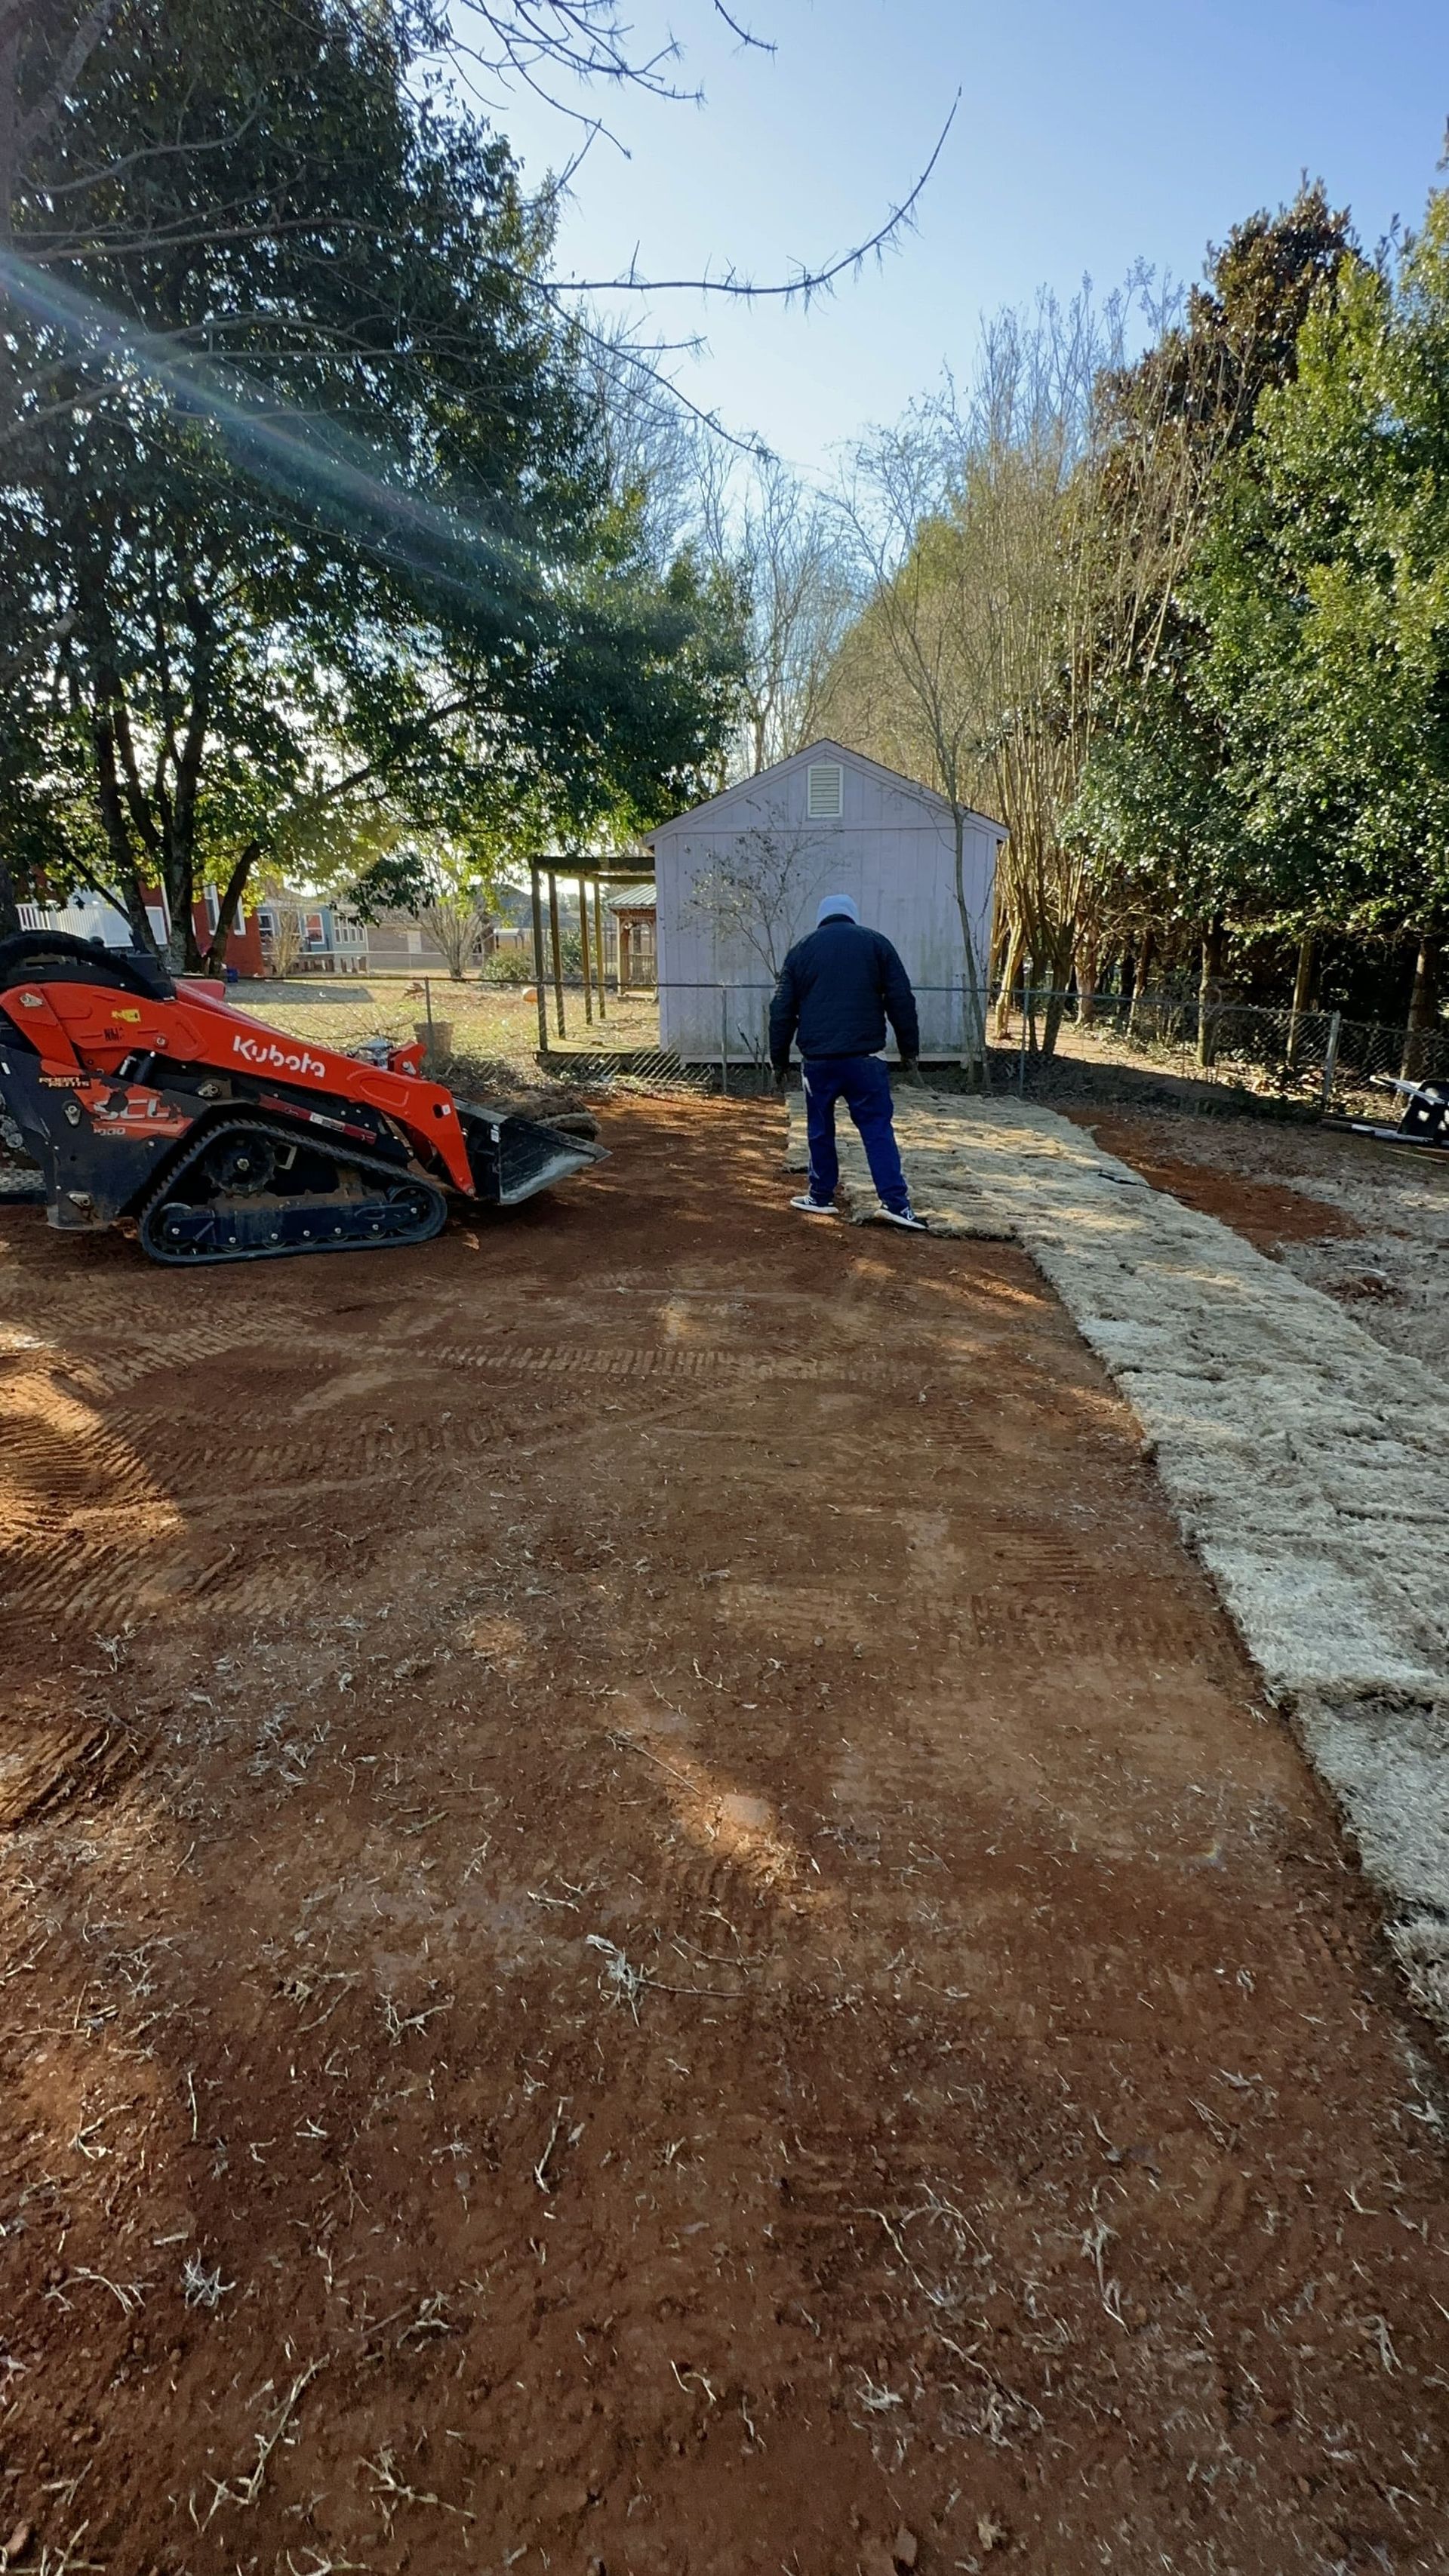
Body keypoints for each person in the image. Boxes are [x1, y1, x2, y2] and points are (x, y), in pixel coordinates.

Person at [768, 894, 928, 1230]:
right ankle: (897, 1204)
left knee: (820, 1127)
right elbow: (901, 999)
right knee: (876, 1128)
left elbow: (781, 1010)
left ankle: (821, 1196)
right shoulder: (877, 944)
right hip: (865, 1059)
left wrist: (778, 1060)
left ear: (821, 918)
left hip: (819, 1062)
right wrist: (909, 1049)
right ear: (852, 916)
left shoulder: (801, 950)